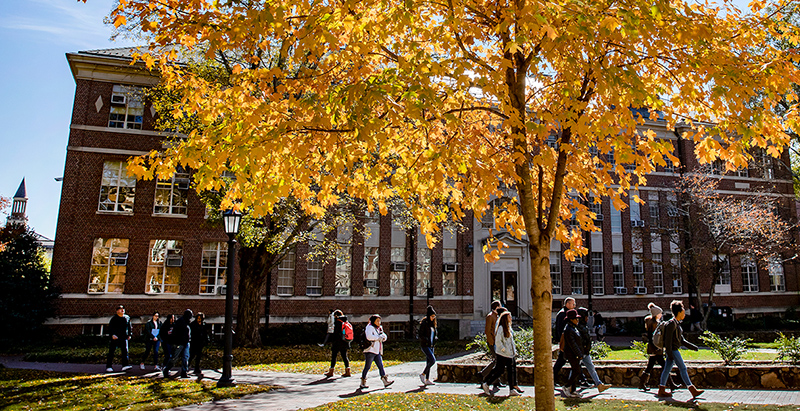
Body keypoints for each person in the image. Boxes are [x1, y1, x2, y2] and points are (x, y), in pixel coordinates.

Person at [659, 300, 704, 399]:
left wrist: (693, 347)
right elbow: (668, 341)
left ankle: (661, 390)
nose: (684, 312)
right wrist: (670, 354)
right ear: (679, 312)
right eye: (683, 310)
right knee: (683, 368)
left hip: (673, 351)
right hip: (673, 351)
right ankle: (692, 390)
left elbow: (682, 340)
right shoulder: (671, 324)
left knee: (666, 370)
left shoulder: (676, 324)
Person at [480, 311, 520, 397]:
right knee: (499, 370)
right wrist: (504, 350)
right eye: (510, 317)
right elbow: (498, 341)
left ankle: (512, 389)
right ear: (505, 319)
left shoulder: (508, 328)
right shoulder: (501, 328)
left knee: (511, 371)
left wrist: (513, 351)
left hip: (510, 354)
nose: (511, 318)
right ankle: (486, 383)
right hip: (502, 354)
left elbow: (511, 342)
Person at [575, 308, 611, 393]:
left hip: (585, 351)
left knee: (591, 367)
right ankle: (568, 386)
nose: (588, 318)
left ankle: (599, 384)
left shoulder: (583, 326)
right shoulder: (579, 327)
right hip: (581, 351)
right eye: (586, 316)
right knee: (575, 369)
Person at [360, 314, 394, 389]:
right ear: (373, 321)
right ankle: (363, 380)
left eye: (379, 321)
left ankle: (385, 380)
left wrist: (382, 337)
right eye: (377, 321)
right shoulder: (369, 327)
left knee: (381, 366)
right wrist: (379, 338)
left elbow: (384, 336)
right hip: (370, 350)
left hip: (377, 350)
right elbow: (369, 337)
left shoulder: (379, 328)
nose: (379, 322)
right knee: (367, 366)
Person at [480, 301, 505, 388]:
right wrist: (491, 342)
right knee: (497, 361)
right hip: (492, 342)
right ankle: (483, 374)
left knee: (497, 362)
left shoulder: (497, 316)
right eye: (500, 305)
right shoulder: (490, 316)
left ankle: (496, 381)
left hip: (496, 342)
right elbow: (487, 331)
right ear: (497, 307)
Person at [561, 309, 585, 398]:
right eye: (576, 319)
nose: (577, 320)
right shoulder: (569, 330)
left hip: (575, 354)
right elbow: (573, 344)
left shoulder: (573, 328)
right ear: (571, 319)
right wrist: (579, 354)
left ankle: (573, 390)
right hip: (572, 354)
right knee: (576, 370)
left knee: (576, 371)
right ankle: (567, 386)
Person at [553, 296, 576, 384]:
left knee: (566, 361)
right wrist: (562, 342)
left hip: (568, 342)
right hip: (565, 343)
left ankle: (582, 379)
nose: (574, 306)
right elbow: (560, 330)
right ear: (568, 304)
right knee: (562, 361)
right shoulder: (562, 314)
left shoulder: (567, 313)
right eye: (573, 304)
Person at [163, 309, 192, 378]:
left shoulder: (187, 322)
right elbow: (176, 333)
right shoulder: (180, 322)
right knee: (174, 358)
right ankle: (166, 369)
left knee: (185, 357)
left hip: (186, 342)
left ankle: (184, 372)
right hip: (179, 343)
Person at [106, 305, 133, 372]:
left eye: (123, 309)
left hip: (124, 337)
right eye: (120, 309)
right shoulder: (114, 319)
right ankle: (108, 366)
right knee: (111, 352)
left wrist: (129, 334)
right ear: (117, 311)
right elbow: (110, 328)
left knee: (125, 351)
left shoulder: (127, 317)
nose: (122, 310)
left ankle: (125, 365)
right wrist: (112, 335)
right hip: (116, 337)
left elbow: (129, 326)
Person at [324, 310, 351, 378]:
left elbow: (336, 333)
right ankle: (347, 370)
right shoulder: (345, 321)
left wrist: (332, 339)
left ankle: (331, 371)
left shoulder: (338, 322)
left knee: (334, 356)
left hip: (337, 342)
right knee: (345, 356)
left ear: (336, 315)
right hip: (344, 342)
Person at [418, 305, 438, 386]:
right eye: (432, 316)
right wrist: (425, 340)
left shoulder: (433, 324)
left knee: (428, 362)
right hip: (425, 345)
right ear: (429, 316)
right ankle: (423, 374)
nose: (433, 318)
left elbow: (434, 334)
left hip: (431, 345)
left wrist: (436, 338)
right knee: (433, 360)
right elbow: (420, 335)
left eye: (434, 316)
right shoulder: (424, 324)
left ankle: (427, 379)